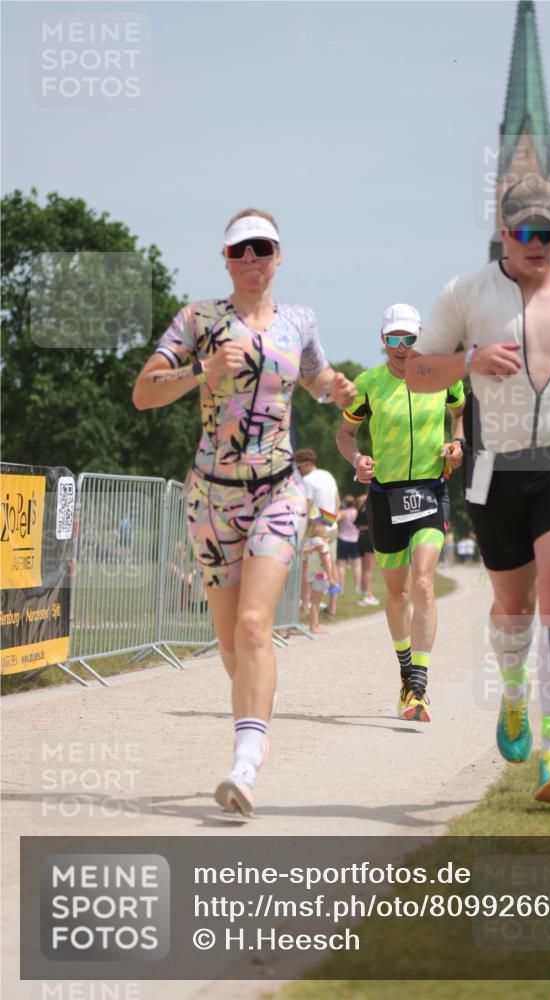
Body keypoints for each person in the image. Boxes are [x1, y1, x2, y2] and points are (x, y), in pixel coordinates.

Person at [405, 175, 550, 805]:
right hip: (494, 466)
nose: (537, 243)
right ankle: (513, 697)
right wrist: (470, 361)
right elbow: (417, 373)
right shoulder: (466, 292)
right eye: (524, 232)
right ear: (502, 233)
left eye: (549, 232)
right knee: (514, 608)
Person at [132, 208, 356, 817]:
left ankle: (244, 764)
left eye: (263, 248)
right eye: (240, 251)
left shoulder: (299, 321)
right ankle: (253, 712)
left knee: (256, 627)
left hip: (278, 490)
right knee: (232, 643)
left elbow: (316, 379)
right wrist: (202, 369)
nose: (252, 259)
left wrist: (338, 390)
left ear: (279, 256)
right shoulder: (197, 320)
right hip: (210, 496)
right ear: (226, 260)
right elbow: (144, 392)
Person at [336, 303, 465, 722]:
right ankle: (406, 672)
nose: (403, 347)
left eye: (410, 338)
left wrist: (458, 444)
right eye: (395, 338)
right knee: (398, 593)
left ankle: (420, 686)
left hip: (429, 489)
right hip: (384, 496)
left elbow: (459, 414)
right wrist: (356, 459)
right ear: (383, 339)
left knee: (424, 584)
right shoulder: (368, 384)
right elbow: (345, 433)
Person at [294, 449, 341, 616]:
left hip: (315, 528)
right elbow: (337, 501)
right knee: (331, 563)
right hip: (331, 525)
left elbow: (307, 507)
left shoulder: (307, 480)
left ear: (307, 464)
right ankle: (332, 606)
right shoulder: (327, 475)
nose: (298, 471)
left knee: (311, 567)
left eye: (299, 467)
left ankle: (307, 605)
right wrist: (331, 521)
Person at [355, 492, 380, 605]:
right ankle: (365, 595)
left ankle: (365, 593)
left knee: (364, 568)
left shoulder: (360, 499)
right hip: (370, 536)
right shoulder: (375, 497)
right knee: (369, 569)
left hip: (361, 536)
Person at [337, 495, 362, 595]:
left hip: (342, 539)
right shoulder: (357, 512)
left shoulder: (343, 512)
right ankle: (357, 588)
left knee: (341, 565)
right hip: (355, 540)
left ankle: (341, 588)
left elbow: (335, 519)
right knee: (357, 566)